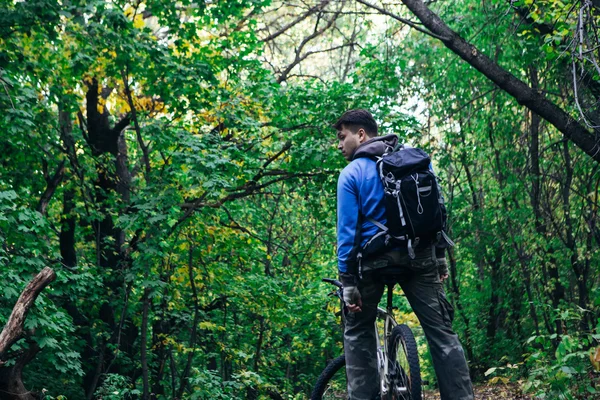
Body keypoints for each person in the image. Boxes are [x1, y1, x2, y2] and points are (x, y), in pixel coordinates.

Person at [334, 109, 474, 400]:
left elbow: (347, 235)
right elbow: (437, 213)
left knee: (358, 332)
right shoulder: (415, 163)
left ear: (361, 135)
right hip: (419, 258)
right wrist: (439, 258)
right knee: (442, 333)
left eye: (342, 137)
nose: (339, 145)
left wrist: (348, 283)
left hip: (372, 263)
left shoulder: (351, 174)